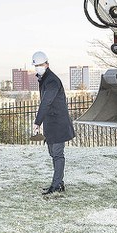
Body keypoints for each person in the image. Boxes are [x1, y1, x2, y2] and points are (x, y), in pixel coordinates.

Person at [32, 51, 75, 195]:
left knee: (57, 154)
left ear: (47, 64)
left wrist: (37, 122)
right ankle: (59, 182)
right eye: (36, 65)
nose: (38, 67)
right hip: (52, 123)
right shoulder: (44, 79)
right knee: (53, 153)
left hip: (58, 124)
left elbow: (46, 102)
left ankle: (56, 185)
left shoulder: (51, 81)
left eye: (41, 64)